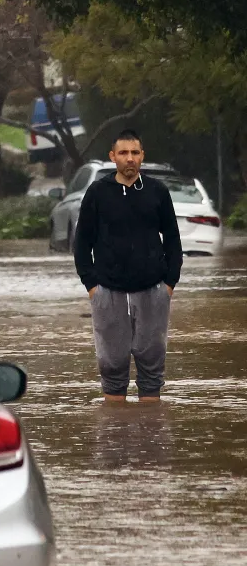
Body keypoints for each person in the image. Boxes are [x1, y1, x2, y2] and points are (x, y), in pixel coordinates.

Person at [72, 129, 182, 402]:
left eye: (135, 153)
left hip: (153, 288)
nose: (129, 158)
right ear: (113, 157)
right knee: (111, 365)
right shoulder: (97, 193)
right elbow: (82, 243)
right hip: (107, 290)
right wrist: (91, 286)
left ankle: (152, 432)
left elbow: (173, 240)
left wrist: (169, 284)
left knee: (152, 365)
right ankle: (114, 432)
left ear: (142, 156)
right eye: (123, 153)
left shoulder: (158, 192)